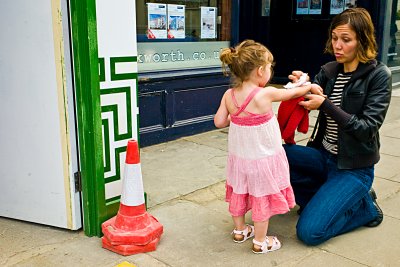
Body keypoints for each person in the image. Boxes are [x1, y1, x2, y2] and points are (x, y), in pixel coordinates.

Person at [284, 7, 392, 246]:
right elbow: (310, 95)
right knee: (276, 155)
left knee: (310, 232)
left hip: (355, 168)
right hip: (323, 157)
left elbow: (366, 128)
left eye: (346, 40)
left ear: (362, 41)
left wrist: (326, 105)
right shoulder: (330, 71)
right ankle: (329, 200)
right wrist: (301, 84)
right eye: (334, 38)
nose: (337, 46)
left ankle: (365, 208)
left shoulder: (379, 76)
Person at [214, 40, 323, 253]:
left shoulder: (229, 95)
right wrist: (308, 85)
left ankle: (240, 230)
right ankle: (261, 241)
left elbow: (219, 122)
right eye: (270, 67)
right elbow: (291, 94)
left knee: (240, 191)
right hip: (263, 159)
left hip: (239, 160)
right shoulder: (265, 94)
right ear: (260, 70)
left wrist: (236, 117)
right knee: (261, 198)